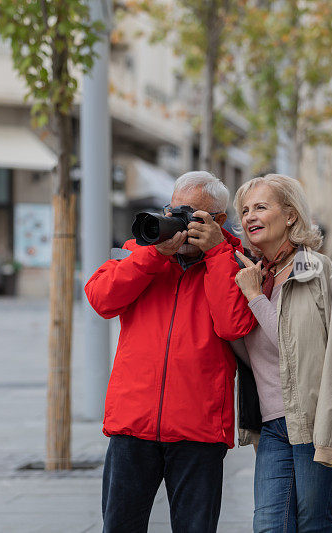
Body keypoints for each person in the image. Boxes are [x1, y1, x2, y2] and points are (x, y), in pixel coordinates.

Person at [85, 171, 257, 533]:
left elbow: (233, 326)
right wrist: (151, 257)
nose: (177, 222)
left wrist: (215, 254)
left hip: (199, 428)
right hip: (133, 425)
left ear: (219, 220)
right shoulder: (139, 255)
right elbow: (101, 300)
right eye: (173, 211)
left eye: (191, 214)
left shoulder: (236, 265)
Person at [230, 174, 332, 533]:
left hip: (320, 422)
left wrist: (255, 299)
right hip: (274, 427)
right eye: (245, 210)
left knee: (312, 526)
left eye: (261, 207)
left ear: (291, 215)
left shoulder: (320, 273)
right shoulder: (255, 275)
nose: (250, 216)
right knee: (269, 526)